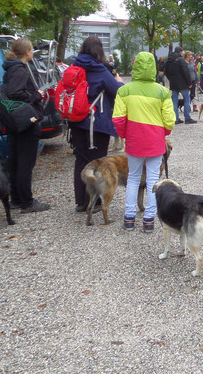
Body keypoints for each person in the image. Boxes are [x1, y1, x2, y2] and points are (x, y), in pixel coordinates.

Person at [112, 51, 176, 231]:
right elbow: (169, 120)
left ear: (135, 66)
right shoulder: (162, 91)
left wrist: (125, 134)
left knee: (133, 178)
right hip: (155, 141)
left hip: (134, 141)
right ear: (154, 67)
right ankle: (149, 220)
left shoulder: (124, 90)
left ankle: (129, 218)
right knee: (153, 180)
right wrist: (164, 131)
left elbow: (118, 119)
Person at [69, 36, 124, 213]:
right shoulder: (100, 70)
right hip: (97, 122)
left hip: (76, 120)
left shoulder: (74, 67)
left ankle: (81, 201)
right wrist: (120, 82)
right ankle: (95, 202)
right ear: (99, 51)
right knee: (98, 162)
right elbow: (117, 92)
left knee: (81, 160)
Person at [1, 38, 50, 213]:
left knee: (15, 162)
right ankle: (27, 202)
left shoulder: (10, 68)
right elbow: (15, 93)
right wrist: (36, 95)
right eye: (31, 50)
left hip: (15, 122)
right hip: (25, 122)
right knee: (25, 164)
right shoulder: (19, 70)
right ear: (28, 52)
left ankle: (15, 199)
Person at [164, 46, 196, 124]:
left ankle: (176, 119)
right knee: (187, 99)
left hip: (173, 84)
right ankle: (187, 118)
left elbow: (166, 72)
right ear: (180, 52)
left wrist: (171, 79)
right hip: (182, 84)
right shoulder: (181, 60)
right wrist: (189, 83)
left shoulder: (169, 61)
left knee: (174, 101)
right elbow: (185, 71)